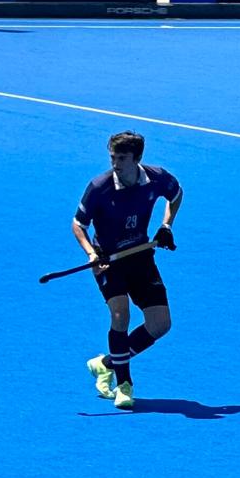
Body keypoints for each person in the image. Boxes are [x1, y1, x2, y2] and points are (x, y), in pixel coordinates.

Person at [73, 130, 182, 411]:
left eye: (122, 158)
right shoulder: (99, 187)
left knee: (160, 325)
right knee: (120, 314)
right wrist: (91, 253)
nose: (115, 164)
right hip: (108, 260)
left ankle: (106, 363)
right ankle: (124, 385)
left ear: (137, 158)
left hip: (140, 256)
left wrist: (166, 225)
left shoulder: (157, 178)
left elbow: (176, 194)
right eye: (113, 157)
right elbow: (78, 225)